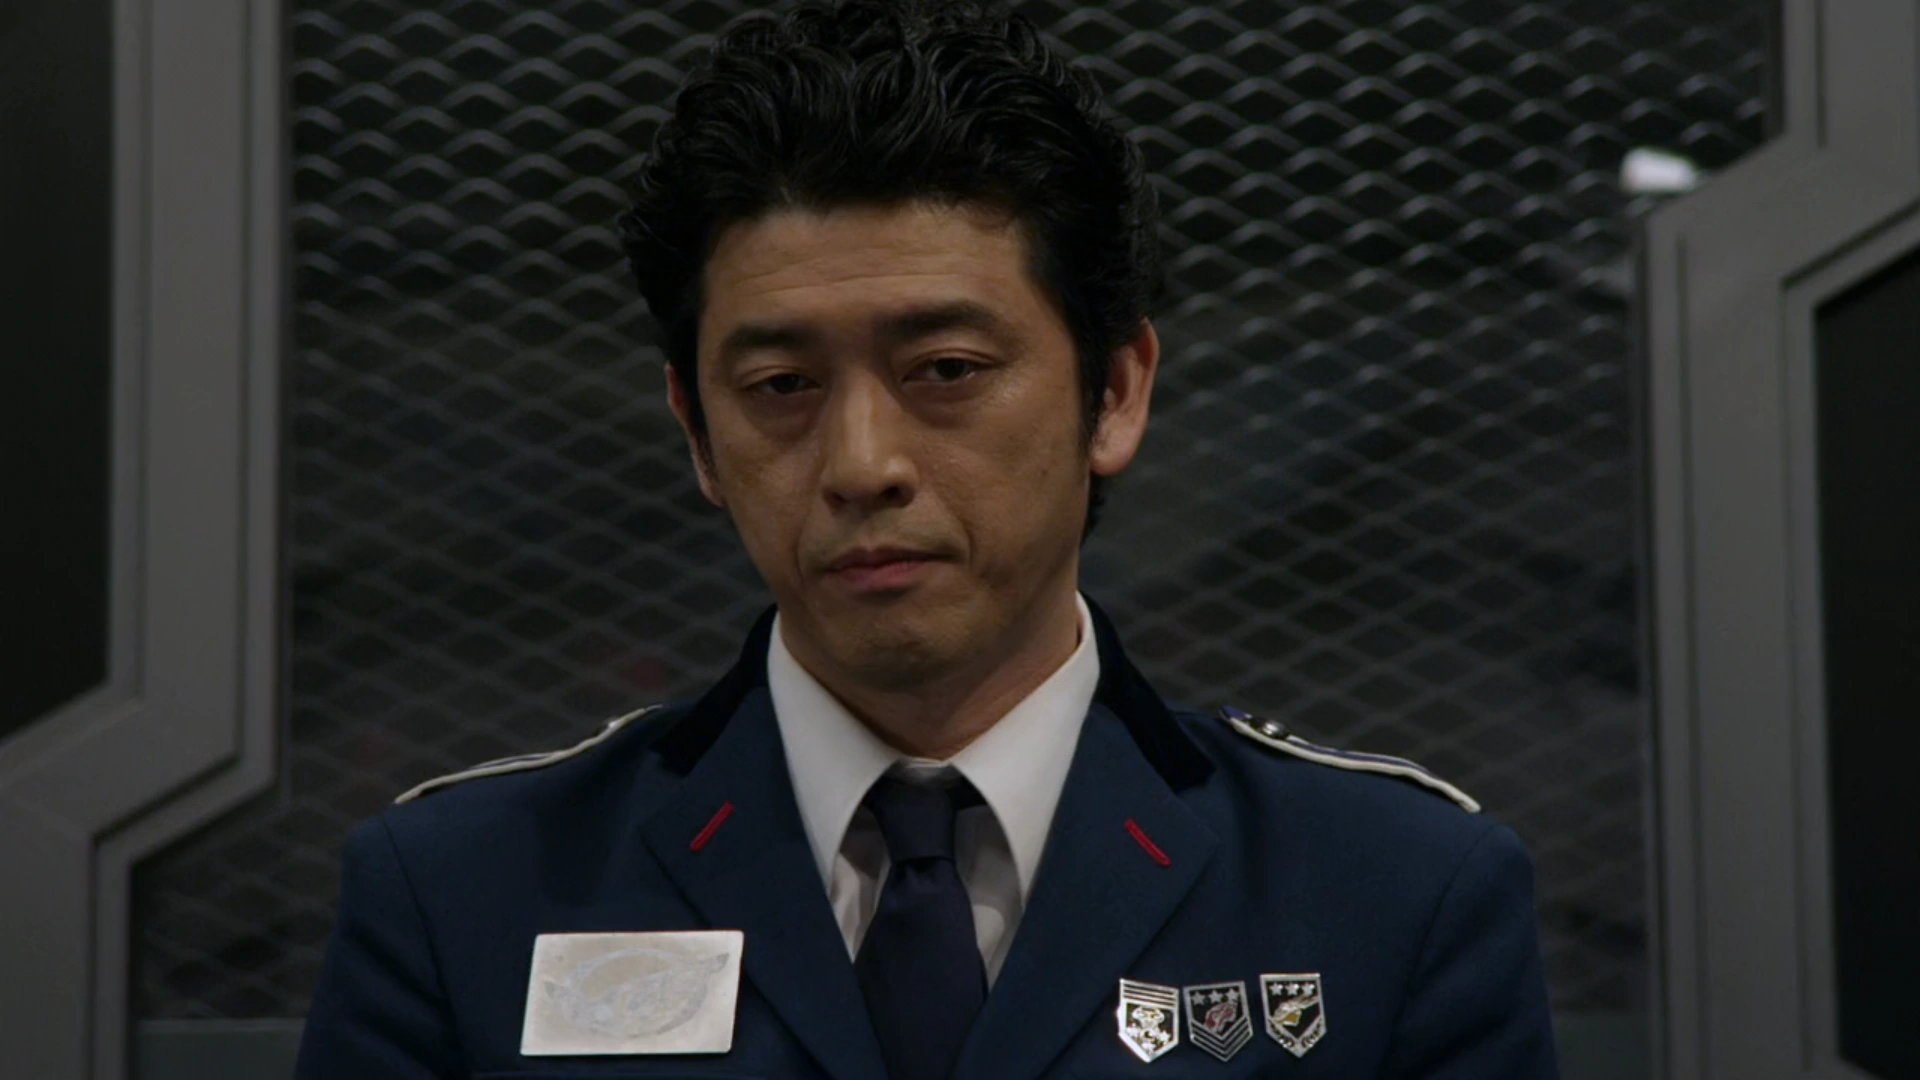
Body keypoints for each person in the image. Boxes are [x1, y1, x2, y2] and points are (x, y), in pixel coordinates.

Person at [294, 1, 1560, 1077]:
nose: (862, 465)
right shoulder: (466, 894)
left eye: (946, 369)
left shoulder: (1392, 892)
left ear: (1115, 392)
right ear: (696, 432)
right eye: (781, 386)